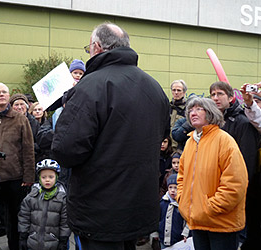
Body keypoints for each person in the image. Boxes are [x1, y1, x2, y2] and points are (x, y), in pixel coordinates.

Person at [52, 22, 170, 249]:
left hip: (99, 210)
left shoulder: (90, 87)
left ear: (96, 47)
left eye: (88, 49)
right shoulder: (154, 87)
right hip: (138, 206)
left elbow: (65, 150)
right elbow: (162, 138)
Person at [177, 97, 248, 250]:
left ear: (210, 113)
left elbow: (235, 183)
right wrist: (183, 200)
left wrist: (210, 208)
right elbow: (181, 176)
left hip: (221, 224)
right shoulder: (190, 142)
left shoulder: (225, 141)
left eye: (198, 109)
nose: (192, 113)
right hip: (197, 221)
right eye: (190, 110)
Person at [0, 82, 35, 250]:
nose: (1, 94)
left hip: (15, 177)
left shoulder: (20, 119)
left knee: (14, 219)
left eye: (4, 92)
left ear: (9, 95)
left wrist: (29, 176)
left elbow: (28, 148)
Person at [210, 81, 259, 248]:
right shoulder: (210, 122)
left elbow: (246, 160)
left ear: (231, 97)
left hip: (235, 188)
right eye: (212, 94)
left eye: (220, 94)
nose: (215, 98)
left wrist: (238, 186)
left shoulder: (243, 122)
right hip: (215, 187)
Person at [18, 159, 70, 250]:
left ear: (57, 177)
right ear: (39, 178)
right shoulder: (31, 197)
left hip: (53, 243)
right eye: (44, 177)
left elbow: (65, 222)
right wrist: (23, 235)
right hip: (33, 242)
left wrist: (63, 240)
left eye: (51, 177)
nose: (47, 180)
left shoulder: (62, 199)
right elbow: (24, 217)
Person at [153, 174, 189, 249]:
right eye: (170, 187)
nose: (172, 190)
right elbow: (156, 219)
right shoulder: (162, 203)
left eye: (176, 188)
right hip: (163, 239)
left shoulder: (183, 204)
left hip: (178, 239)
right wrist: (155, 233)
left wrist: (185, 233)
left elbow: (188, 221)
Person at [169, 80, 187, 150]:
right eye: (174, 90)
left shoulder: (188, 109)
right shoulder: (168, 107)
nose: (176, 93)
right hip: (168, 148)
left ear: (184, 92)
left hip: (182, 148)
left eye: (179, 90)